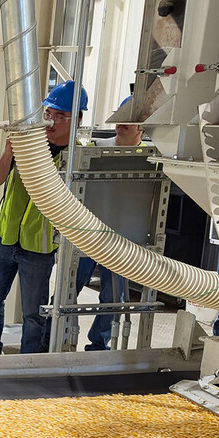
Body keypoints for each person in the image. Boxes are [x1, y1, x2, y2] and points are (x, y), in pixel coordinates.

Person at [0, 81, 86, 356]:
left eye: (61, 116)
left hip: (39, 246)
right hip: (4, 237)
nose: (52, 120)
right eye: (49, 112)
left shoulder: (78, 157)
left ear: (78, 119)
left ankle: (28, 363)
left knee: (33, 313)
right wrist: (9, 152)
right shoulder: (28, 145)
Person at [74, 95, 143, 350]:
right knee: (69, 289)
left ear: (142, 126)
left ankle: (97, 346)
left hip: (121, 239)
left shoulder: (147, 157)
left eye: (128, 120)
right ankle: (54, 336)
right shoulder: (95, 148)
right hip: (87, 233)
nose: (121, 123)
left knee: (113, 297)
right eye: (119, 118)